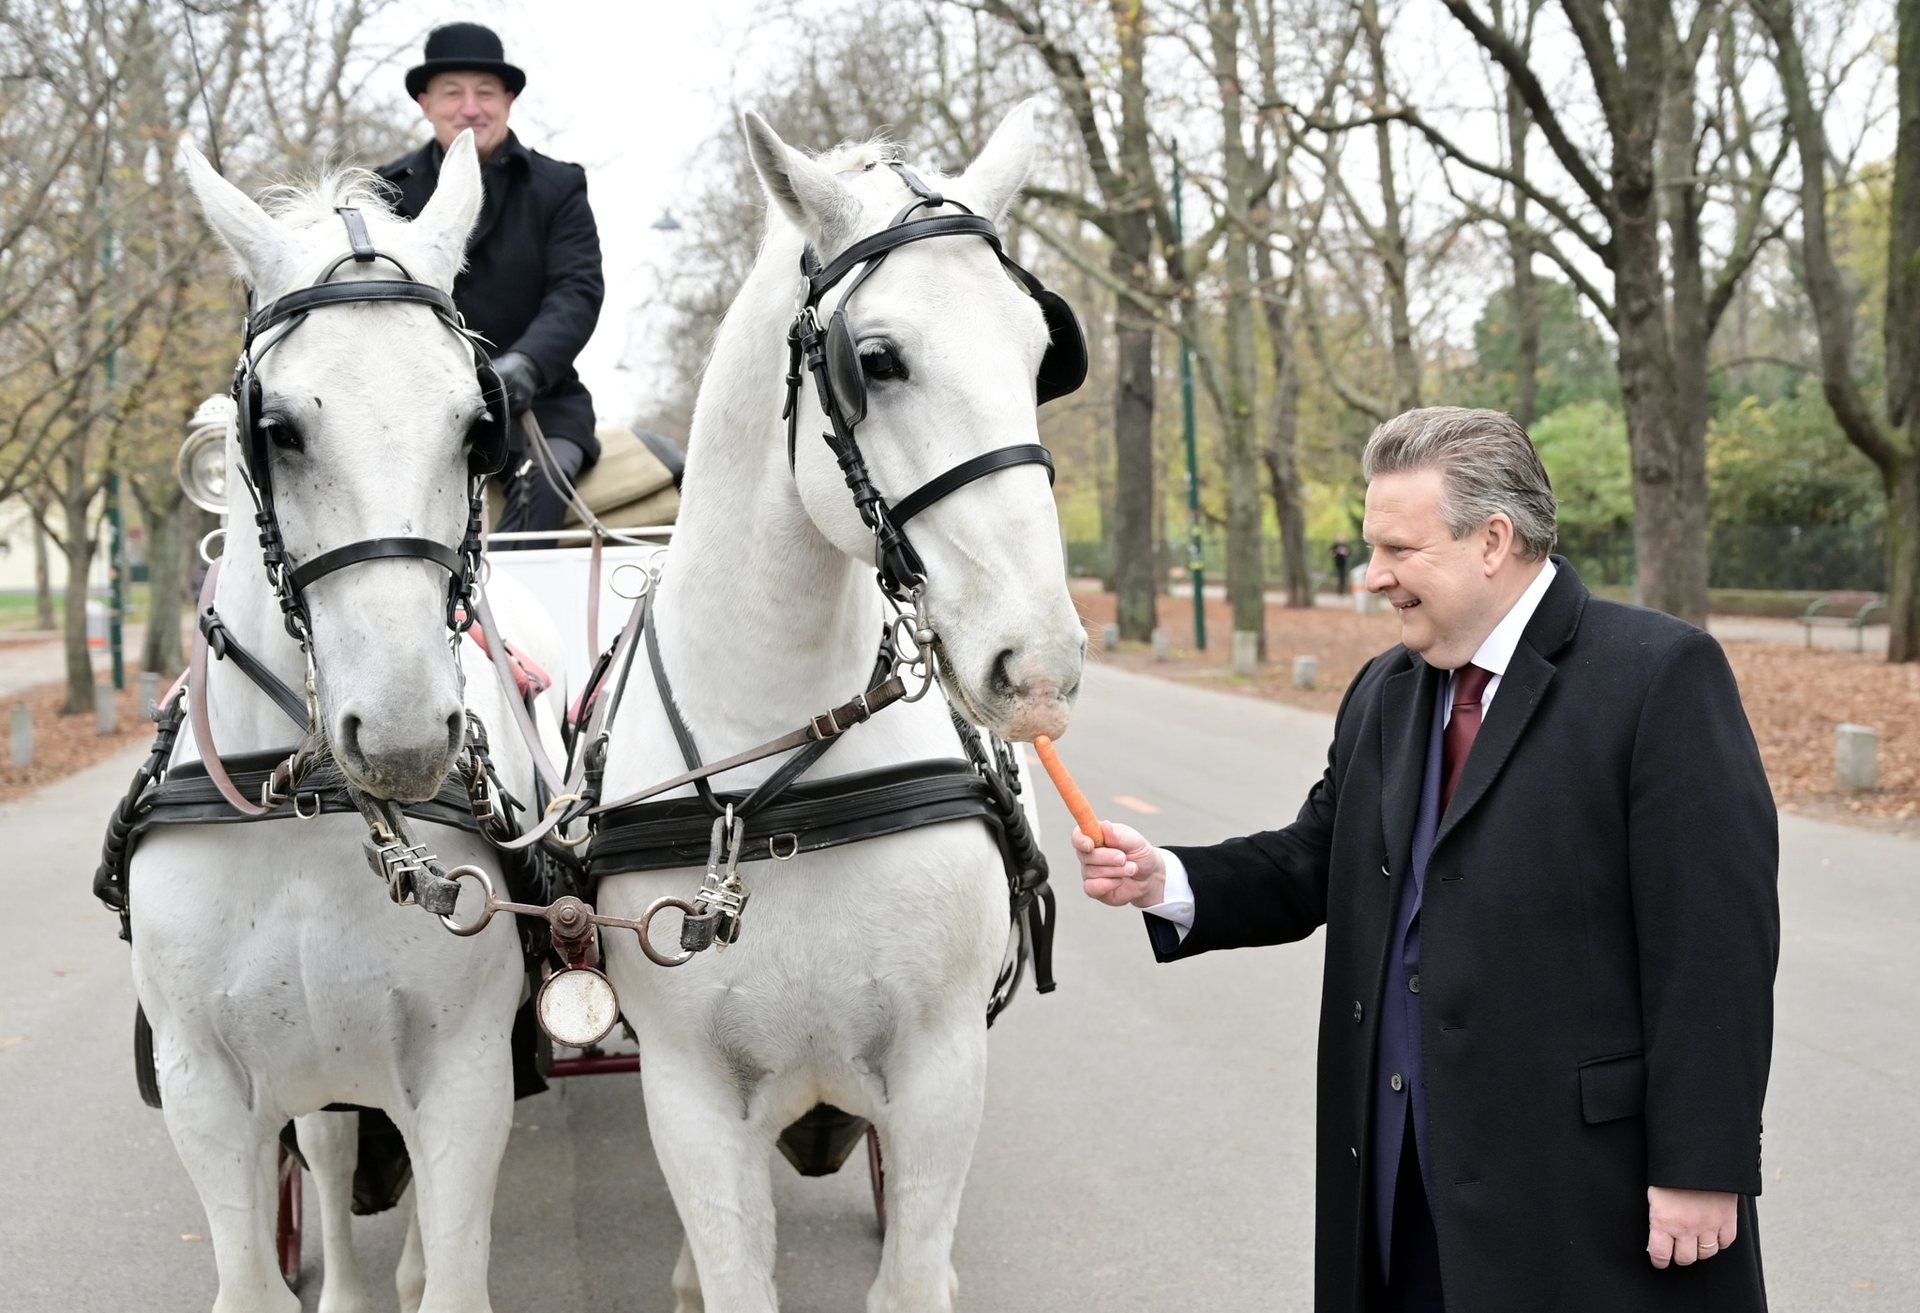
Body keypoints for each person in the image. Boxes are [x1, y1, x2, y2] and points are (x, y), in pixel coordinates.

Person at [1074, 407, 1778, 1313]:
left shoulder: (1658, 676)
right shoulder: (1385, 690)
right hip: (1396, 1180)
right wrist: (1165, 877)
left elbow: (1715, 944)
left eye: (1400, 551)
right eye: (1372, 549)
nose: (1373, 578)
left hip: (1583, 1198)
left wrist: (1701, 1163)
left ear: (1493, 540)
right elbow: (1313, 858)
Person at [377, 21, 604, 548]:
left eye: (485, 93)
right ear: (425, 102)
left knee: (544, 481)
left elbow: (577, 291)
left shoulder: (558, 187)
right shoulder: (384, 193)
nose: (470, 107)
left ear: (508, 99)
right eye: (453, 93)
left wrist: (524, 366)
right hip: (414, 407)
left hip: (538, 405)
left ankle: (502, 621)